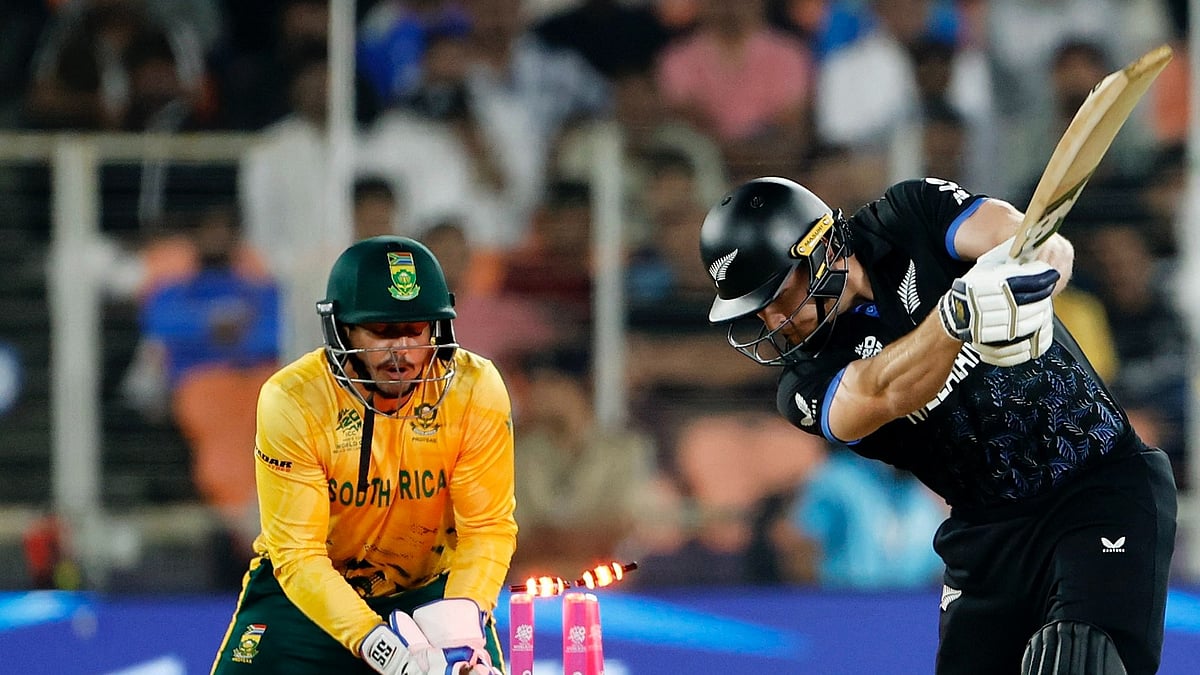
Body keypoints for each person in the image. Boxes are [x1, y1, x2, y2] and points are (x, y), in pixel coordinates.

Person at [697, 176, 1177, 674]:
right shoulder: (802, 384)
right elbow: (884, 389)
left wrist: (1027, 281)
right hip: (987, 535)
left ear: (817, 248)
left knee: (1080, 658)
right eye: (759, 311)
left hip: (1100, 486)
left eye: (777, 293)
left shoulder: (909, 215)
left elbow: (1035, 241)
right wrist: (959, 316)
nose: (774, 321)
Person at [211, 235, 515, 675]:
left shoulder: (475, 387)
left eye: (415, 330)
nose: (402, 352)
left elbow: (487, 527)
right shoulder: (293, 400)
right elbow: (298, 554)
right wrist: (380, 647)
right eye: (382, 331)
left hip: (432, 594)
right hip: (306, 601)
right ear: (343, 329)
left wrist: (460, 626)